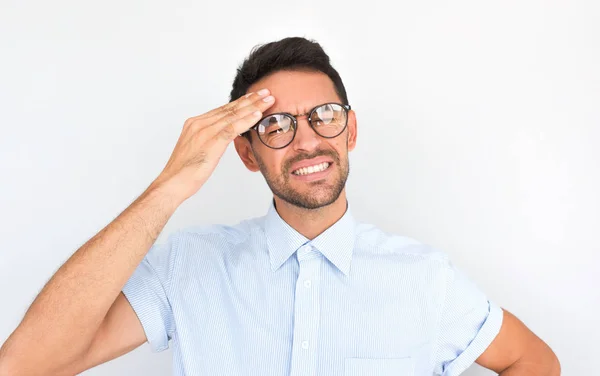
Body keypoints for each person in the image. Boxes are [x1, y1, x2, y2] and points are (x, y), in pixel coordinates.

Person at [0, 37, 560, 376]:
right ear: (245, 152)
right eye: (276, 125)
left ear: (351, 130)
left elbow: (534, 362)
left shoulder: (425, 279)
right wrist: (170, 186)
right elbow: (27, 366)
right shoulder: (189, 266)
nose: (308, 140)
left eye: (325, 115)